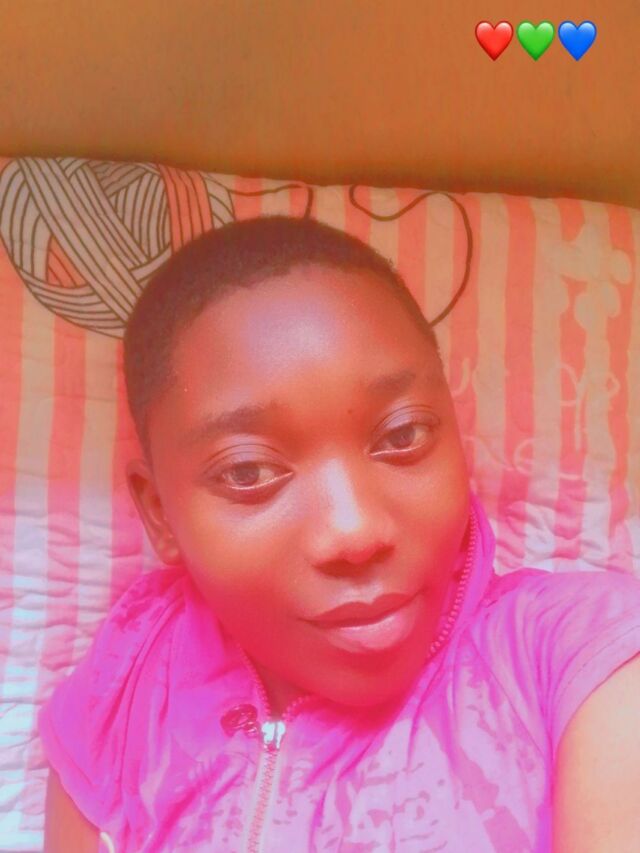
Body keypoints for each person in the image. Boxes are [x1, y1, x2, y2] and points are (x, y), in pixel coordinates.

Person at [40, 215, 640, 852]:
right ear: (160, 512)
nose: (354, 532)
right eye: (248, 472)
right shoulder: (122, 689)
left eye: (403, 435)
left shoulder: (581, 657)